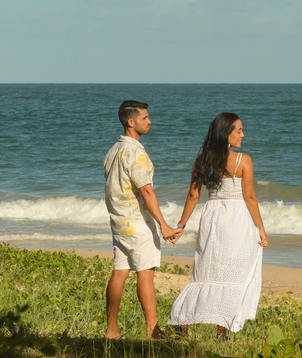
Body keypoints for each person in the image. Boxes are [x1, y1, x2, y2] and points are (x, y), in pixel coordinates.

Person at [166, 113, 268, 338]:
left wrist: (181, 225)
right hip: (237, 220)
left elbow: (193, 196)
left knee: (205, 272)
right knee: (235, 274)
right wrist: (260, 227)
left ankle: (183, 322)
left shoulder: (201, 161)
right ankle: (223, 329)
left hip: (212, 217)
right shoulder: (244, 160)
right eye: (238, 130)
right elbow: (249, 197)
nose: (243, 134)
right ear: (225, 134)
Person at [103, 100, 176, 340]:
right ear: (131, 122)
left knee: (120, 272)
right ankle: (152, 331)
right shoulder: (134, 152)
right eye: (145, 118)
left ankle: (112, 330)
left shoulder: (113, 150)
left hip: (119, 222)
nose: (149, 121)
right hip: (138, 222)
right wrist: (164, 225)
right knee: (146, 273)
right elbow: (146, 191)